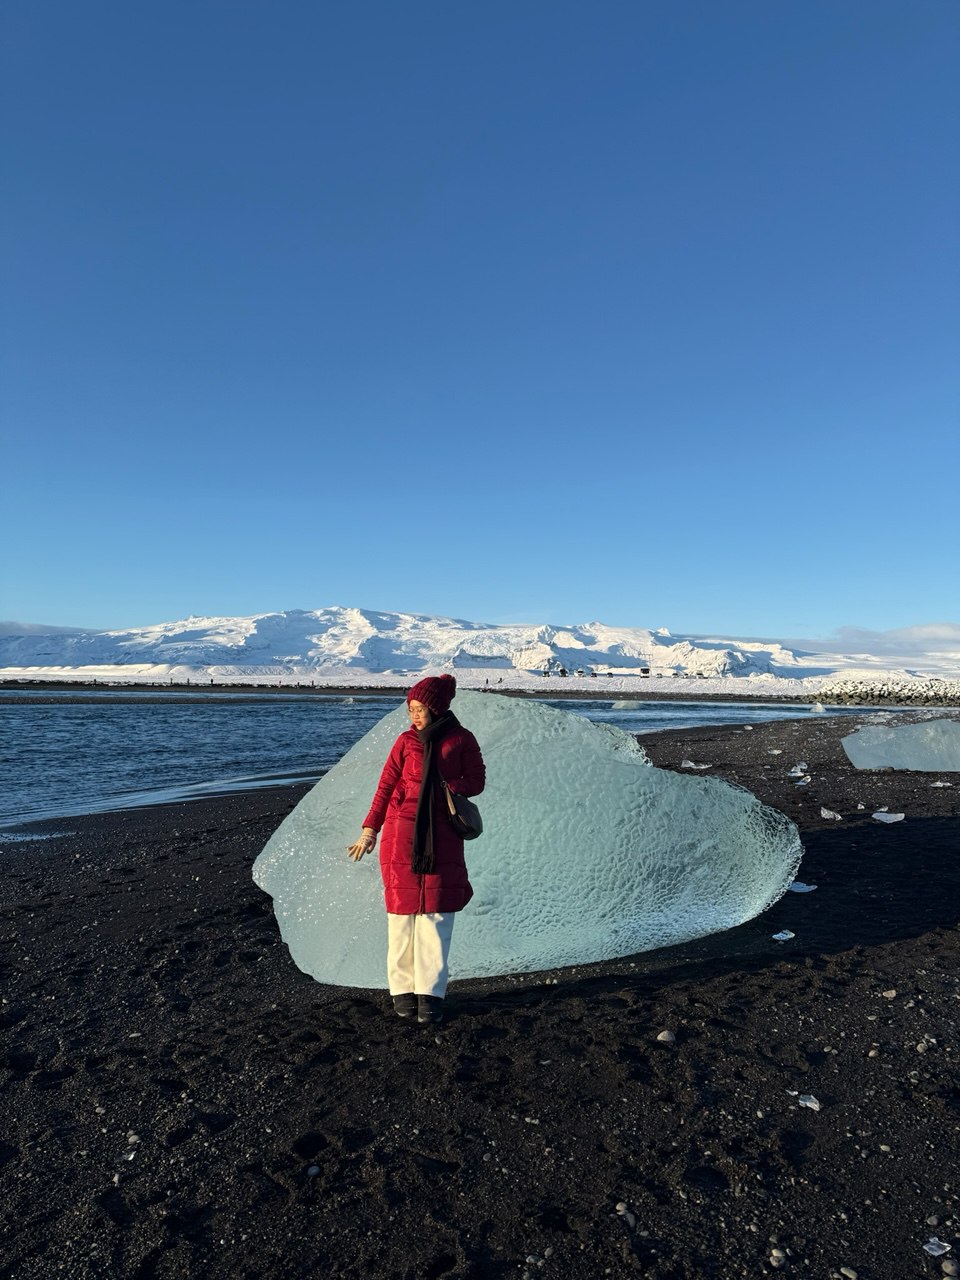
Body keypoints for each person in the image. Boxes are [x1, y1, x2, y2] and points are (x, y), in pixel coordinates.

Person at [347, 674, 485, 1025]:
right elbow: (385, 786)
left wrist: (446, 785)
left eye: (420, 708)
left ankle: (431, 996)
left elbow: (477, 781)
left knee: (436, 919)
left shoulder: (462, 738)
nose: (415, 715)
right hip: (400, 837)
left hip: (443, 837)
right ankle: (403, 993)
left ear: (436, 708)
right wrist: (369, 829)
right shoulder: (405, 741)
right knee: (400, 921)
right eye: (411, 709)